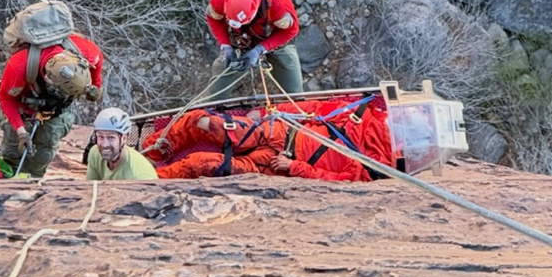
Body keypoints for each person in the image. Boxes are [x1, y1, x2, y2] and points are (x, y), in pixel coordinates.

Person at [142, 98, 392, 181]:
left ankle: (146, 178)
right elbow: (310, 108)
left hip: (279, 168)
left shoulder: (375, 169)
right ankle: (150, 151)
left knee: (202, 165)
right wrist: (265, 114)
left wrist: (295, 167)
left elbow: (335, 181)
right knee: (203, 122)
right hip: (280, 131)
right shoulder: (362, 114)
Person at [0, 34, 104, 177]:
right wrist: (21, 132)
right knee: (13, 152)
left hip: (56, 112)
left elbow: (98, 61)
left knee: (42, 155)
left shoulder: (89, 53)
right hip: (23, 107)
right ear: (48, 79)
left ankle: (34, 179)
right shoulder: (19, 65)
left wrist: (95, 86)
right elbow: (6, 99)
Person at [204, 0, 303, 99]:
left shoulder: (278, 4)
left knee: (295, 93)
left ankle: (296, 109)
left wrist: (260, 49)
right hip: (240, 40)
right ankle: (213, 112)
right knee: (214, 95)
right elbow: (213, 18)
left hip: (273, 37)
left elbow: (290, 31)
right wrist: (225, 45)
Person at [86, 108, 158, 181]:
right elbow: (90, 188)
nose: (105, 145)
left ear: (124, 138)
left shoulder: (138, 176)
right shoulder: (95, 153)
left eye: (111, 137)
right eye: (100, 137)